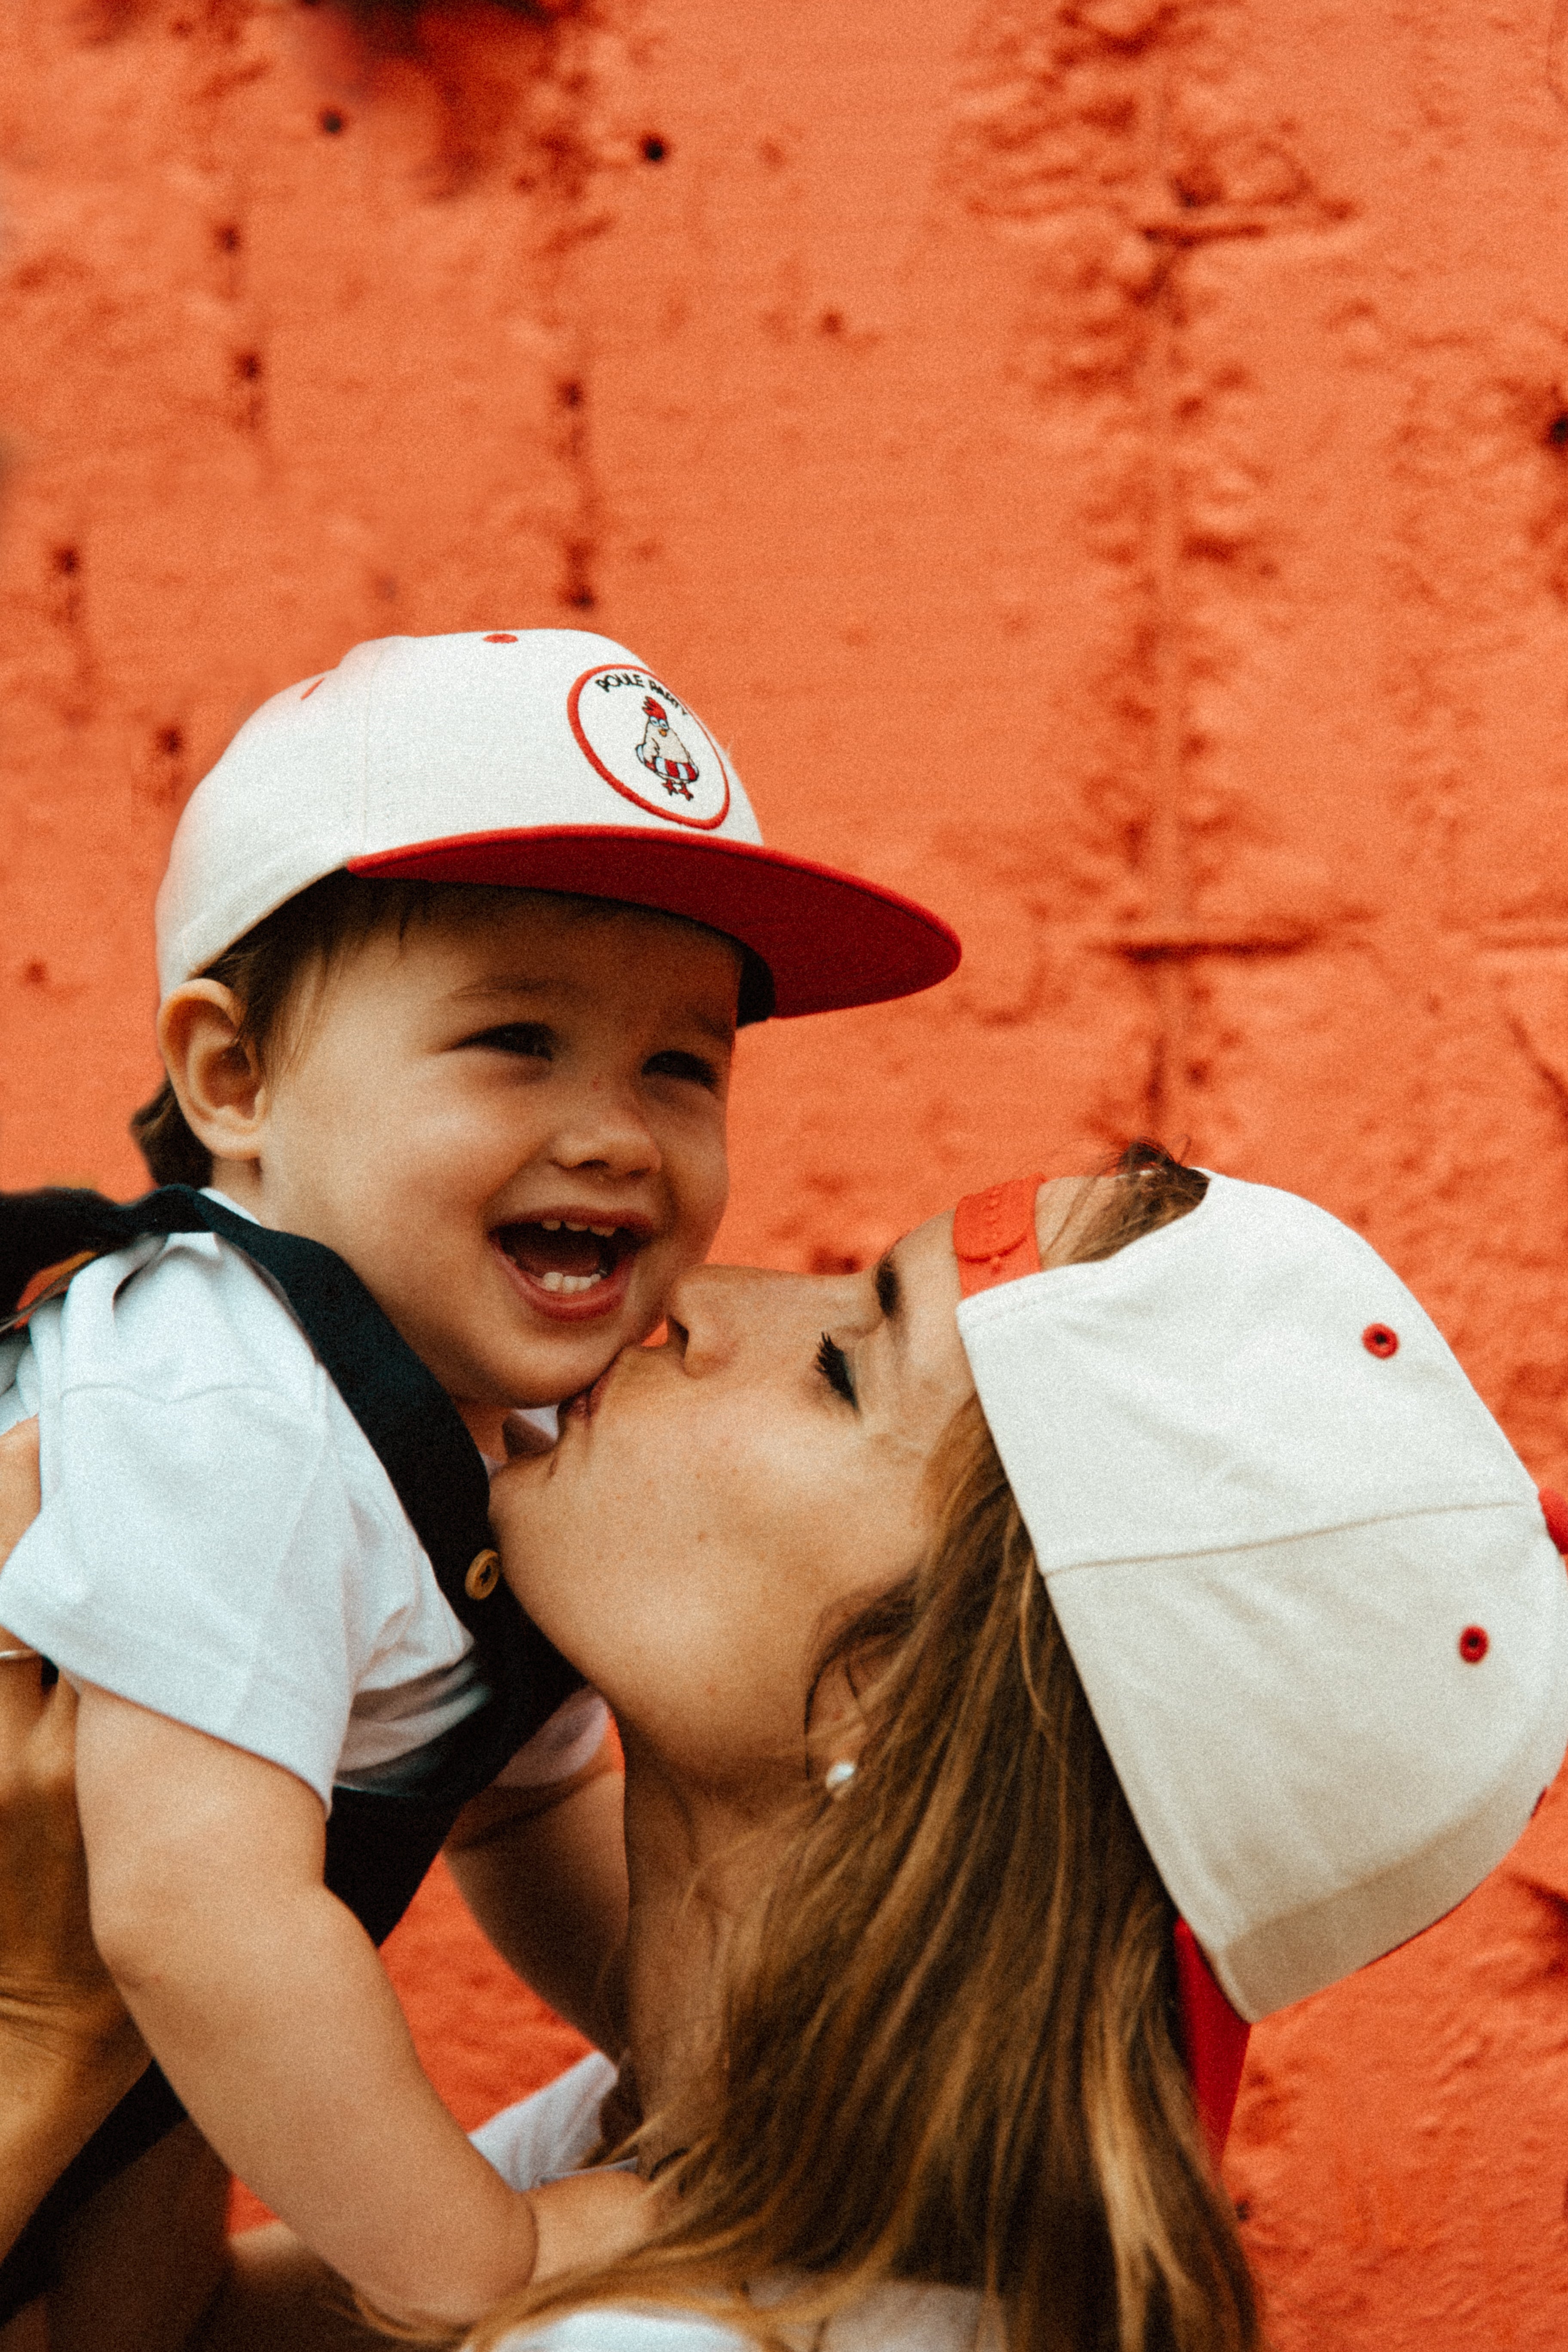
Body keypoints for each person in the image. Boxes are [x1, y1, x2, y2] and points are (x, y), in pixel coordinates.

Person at [3, 1145, 1565, 2352]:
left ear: (891, 1698)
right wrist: (207, 1809)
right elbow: (160, 2337)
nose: (698, 1294)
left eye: (841, 1366)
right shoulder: (719, 2184)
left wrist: (36, 2024)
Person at [0, 626, 959, 2335]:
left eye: (682, 1064)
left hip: (94, 2036)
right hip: (112, 1972)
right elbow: (194, 1913)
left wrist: (721, 2103)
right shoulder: (234, 1399)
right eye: (516, 1038)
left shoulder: (489, 1440)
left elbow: (518, 1798)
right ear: (235, 1079)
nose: (614, 1131)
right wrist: (476, 2253)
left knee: (147, 2283)